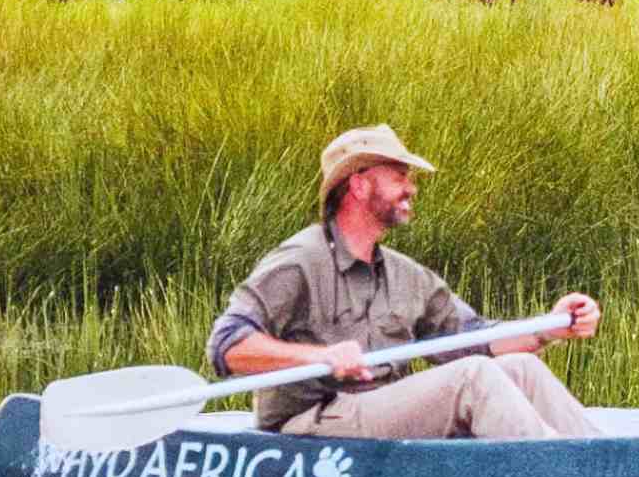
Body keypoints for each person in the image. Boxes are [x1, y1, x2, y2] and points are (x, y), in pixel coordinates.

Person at [205, 124, 605, 440]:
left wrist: (551, 328)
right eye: (399, 176)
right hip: (312, 422)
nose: (411, 188)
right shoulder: (299, 261)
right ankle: (555, 472)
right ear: (359, 185)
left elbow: (474, 339)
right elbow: (227, 344)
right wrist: (318, 358)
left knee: (520, 367)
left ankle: (610, 463)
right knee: (475, 379)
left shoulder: (406, 275)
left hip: (380, 410)